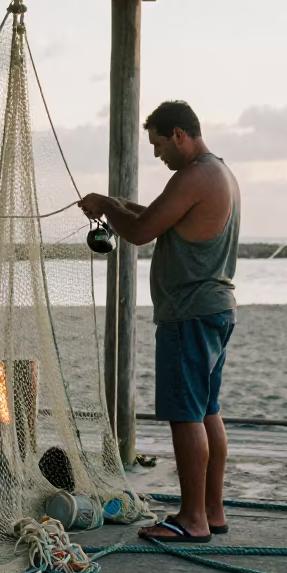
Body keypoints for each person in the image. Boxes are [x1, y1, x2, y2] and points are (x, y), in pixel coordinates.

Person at [79, 100, 239, 544]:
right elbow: (153, 214)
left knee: (186, 416)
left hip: (190, 314)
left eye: (159, 144)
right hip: (216, 308)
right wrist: (111, 203)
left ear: (180, 136)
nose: (157, 155)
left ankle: (192, 521)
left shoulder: (194, 176)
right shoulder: (218, 172)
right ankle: (212, 511)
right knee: (207, 411)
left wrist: (107, 206)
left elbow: (141, 230)